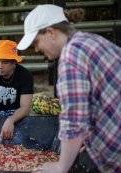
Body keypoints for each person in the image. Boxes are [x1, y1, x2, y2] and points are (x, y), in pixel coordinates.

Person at [17, 4, 121, 173]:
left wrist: (61, 166)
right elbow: (101, 97)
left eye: (36, 42)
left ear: (50, 33)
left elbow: (74, 119)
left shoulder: (70, 57)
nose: (37, 49)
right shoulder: (89, 40)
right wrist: (89, 138)